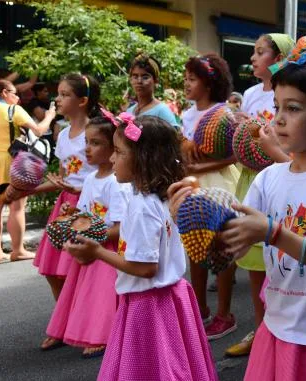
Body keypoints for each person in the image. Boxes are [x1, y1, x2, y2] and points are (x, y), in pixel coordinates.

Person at [170, 30, 306, 381]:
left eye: (293, 108)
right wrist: (191, 210)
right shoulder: (268, 178)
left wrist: (273, 232)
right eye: (277, 107)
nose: (278, 119)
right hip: (277, 330)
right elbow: (232, 240)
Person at [65, 116, 218, 381]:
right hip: (172, 298)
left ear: (144, 158)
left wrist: (97, 252)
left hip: (148, 305)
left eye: (120, 152)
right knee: (173, 365)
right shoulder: (162, 195)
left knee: (150, 369)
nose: (112, 159)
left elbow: (145, 268)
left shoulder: (141, 207)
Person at [225, 32, 295, 357]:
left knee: (283, 262)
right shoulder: (251, 92)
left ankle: (284, 331)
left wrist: (261, 133)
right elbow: (247, 133)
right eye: (253, 52)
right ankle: (260, 330)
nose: (253, 58)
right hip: (252, 177)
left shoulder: (291, 92)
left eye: (260, 52)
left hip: (281, 173)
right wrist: (241, 125)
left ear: (280, 57)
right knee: (255, 261)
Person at [42, 113, 131, 356]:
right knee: (84, 291)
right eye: (86, 143)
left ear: (113, 148)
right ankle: (81, 331)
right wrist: (71, 213)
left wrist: (96, 240)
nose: (87, 149)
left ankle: (103, 335)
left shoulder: (116, 182)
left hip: (107, 247)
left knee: (102, 293)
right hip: (92, 243)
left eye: (95, 143)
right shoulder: (91, 179)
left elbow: (122, 226)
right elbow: (85, 212)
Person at [180, 53, 240, 341]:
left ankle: (224, 314)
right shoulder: (186, 114)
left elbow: (232, 156)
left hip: (218, 186)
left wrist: (200, 165)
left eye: (192, 79)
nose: (186, 84)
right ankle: (200, 308)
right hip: (192, 184)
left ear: (208, 83)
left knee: (222, 249)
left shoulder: (222, 112)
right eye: (186, 78)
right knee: (196, 246)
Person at [32, 74, 100, 301]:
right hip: (64, 207)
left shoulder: (96, 132)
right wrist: (27, 189)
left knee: (75, 270)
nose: (57, 100)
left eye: (64, 94)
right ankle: (63, 319)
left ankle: (76, 322)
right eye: (57, 94)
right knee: (52, 269)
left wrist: (80, 191)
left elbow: (108, 175)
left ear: (82, 101)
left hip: (88, 207)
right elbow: (62, 180)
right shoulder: (61, 134)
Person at [0, 80, 56, 263]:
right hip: (11, 164)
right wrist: (49, 116)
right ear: (4, 93)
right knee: (17, 207)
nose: (17, 97)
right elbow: (39, 131)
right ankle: (18, 250)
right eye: (14, 93)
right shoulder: (13, 110)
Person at [126, 53, 180, 129]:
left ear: (156, 81)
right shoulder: (130, 111)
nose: (139, 81)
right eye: (135, 76)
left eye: (145, 77)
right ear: (131, 80)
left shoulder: (162, 111)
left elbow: (175, 138)